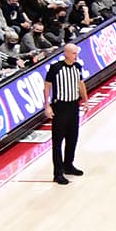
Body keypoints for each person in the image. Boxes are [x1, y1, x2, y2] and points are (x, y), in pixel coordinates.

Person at [48, 56, 86, 184]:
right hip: (60, 107)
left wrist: (85, 100)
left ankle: (68, 165)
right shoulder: (56, 68)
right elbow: (47, 86)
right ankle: (58, 173)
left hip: (73, 105)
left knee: (72, 138)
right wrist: (47, 106)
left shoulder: (77, 67)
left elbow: (81, 84)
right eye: (74, 53)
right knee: (57, 141)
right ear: (67, 53)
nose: (76, 56)